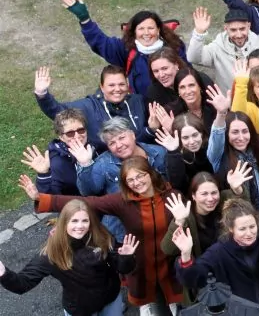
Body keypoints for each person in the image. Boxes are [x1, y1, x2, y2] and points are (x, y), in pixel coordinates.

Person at [23, 158, 184, 315]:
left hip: (169, 257)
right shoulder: (123, 201)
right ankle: (148, 303)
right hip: (140, 259)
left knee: (171, 286)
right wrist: (41, 199)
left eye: (141, 175)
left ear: (151, 174)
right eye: (131, 180)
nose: (137, 182)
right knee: (147, 290)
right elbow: (87, 202)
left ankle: (173, 301)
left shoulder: (172, 195)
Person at [0, 200, 139, 316]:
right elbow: (22, 284)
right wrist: (4, 273)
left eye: (85, 220)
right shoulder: (51, 253)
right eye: (74, 221)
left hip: (111, 300)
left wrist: (126, 257)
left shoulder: (101, 236)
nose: (80, 226)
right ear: (64, 223)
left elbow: (123, 268)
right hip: (81, 310)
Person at [174, 204, 259, 316]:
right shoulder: (219, 251)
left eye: (252, 227)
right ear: (231, 229)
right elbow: (195, 278)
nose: (249, 233)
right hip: (241, 312)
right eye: (242, 229)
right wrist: (186, 255)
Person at [61, 0, 187, 96]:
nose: (146, 33)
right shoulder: (126, 49)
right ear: (134, 32)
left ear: (159, 30)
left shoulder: (175, 47)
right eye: (141, 29)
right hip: (142, 108)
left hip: (175, 103)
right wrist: (85, 19)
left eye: (151, 28)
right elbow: (101, 43)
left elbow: (188, 73)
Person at [160, 170, 250, 305]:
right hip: (203, 281)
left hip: (230, 274)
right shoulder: (186, 215)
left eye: (214, 193)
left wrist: (238, 190)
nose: (210, 199)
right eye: (204, 194)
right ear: (193, 196)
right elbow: (167, 248)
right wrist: (179, 222)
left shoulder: (225, 200)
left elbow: (245, 211)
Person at [34, 66, 155, 148]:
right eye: (111, 85)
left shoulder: (138, 101)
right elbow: (58, 112)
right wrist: (42, 94)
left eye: (121, 84)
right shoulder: (88, 106)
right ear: (102, 87)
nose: (117, 89)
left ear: (128, 85)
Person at [186, 5, 259, 89]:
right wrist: (199, 33)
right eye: (233, 30)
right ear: (226, 28)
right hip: (234, 106)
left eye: (242, 29)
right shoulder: (216, 48)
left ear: (248, 26)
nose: (239, 34)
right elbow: (193, 58)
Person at [22, 109, 100, 196]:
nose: (77, 136)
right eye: (70, 133)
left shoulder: (96, 146)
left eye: (81, 130)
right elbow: (53, 198)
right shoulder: (58, 162)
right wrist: (44, 174)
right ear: (61, 137)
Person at [207, 110, 259, 210]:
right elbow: (217, 135)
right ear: (226, 134)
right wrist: (221, 113)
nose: (241, 137)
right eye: (235, 132)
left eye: (245, 131)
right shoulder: (219, 156)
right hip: (238, 217)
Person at [157, 114, 216, 193]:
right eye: (185, 138)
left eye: (195, 135)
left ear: (201, 133)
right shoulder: (175, 156)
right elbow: (177, 185)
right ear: (178, 138)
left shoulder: (211, 146)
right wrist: (173, 152)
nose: (192, 141)